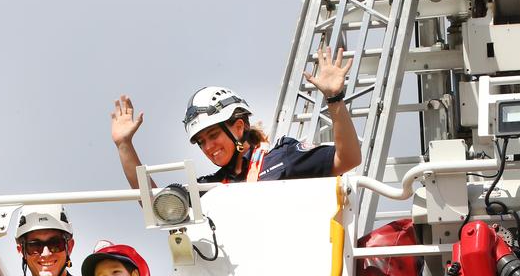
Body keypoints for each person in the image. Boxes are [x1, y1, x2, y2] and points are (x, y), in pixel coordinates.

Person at [111, 47, 362, 188]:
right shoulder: (209, 187)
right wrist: (124, 146)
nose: (208, 147)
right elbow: (155, 204)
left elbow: (348, 159)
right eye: (201, 142)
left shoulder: (283, 160)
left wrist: (334, 98)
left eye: (213, 135)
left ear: (239, 127)